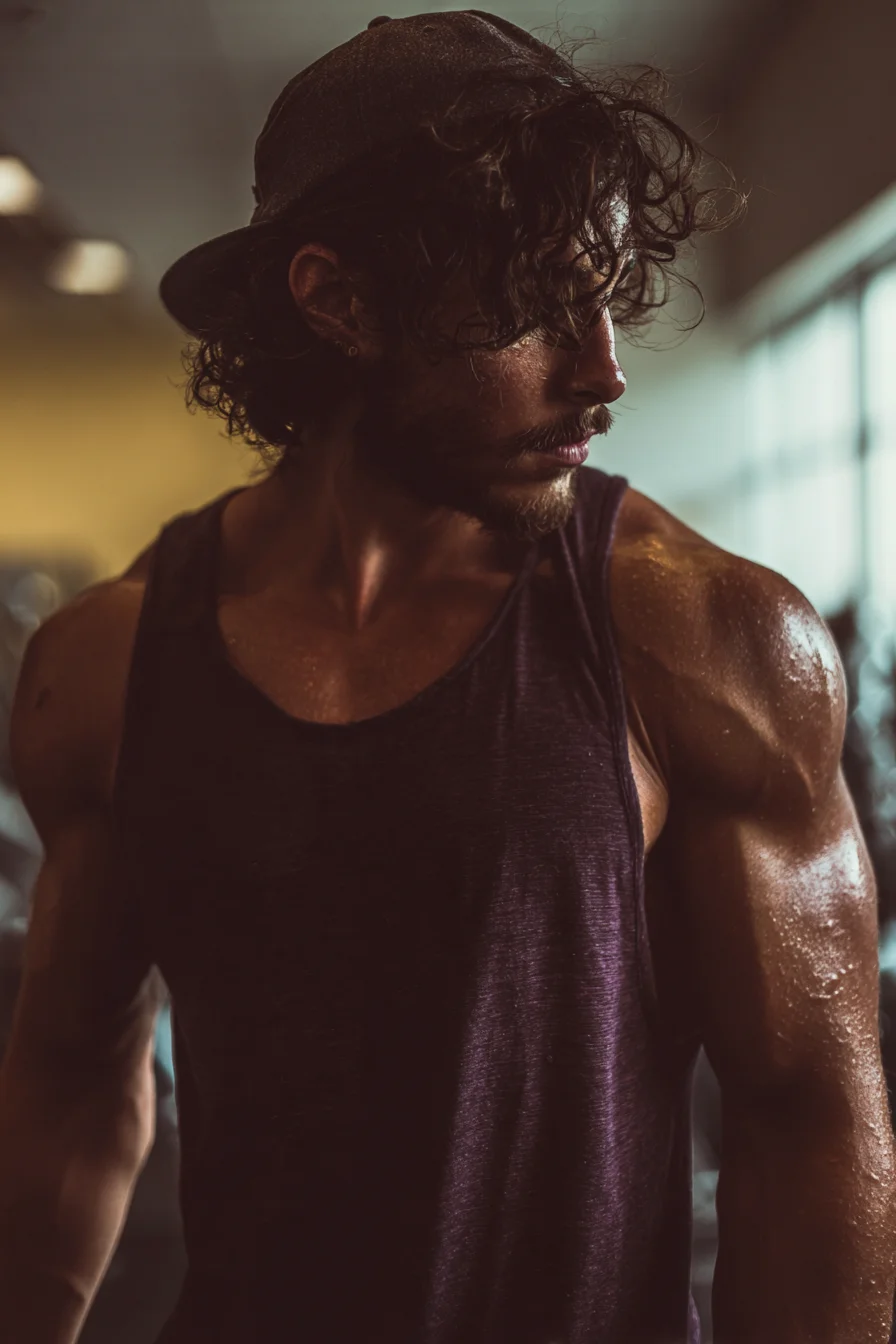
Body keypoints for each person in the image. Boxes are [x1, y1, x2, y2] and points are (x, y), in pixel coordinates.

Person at [0, 11, 894, 1344]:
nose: (602, 371)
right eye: (534, 304)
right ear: (339, 302)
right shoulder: (108, 665)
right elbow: (74, 1083)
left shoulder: (710, 635)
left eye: (606, 293)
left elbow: (810, 1134)